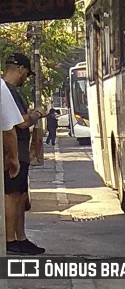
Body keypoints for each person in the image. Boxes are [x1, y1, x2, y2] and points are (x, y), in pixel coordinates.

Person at [3, 53, 46, 255]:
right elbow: (17, 124)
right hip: (14, 152)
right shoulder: (7, 91)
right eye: (26, 74)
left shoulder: (10, 91)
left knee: (20, 194)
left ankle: (20, 237)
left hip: (19, 152)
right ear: (20, 69)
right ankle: (10, 239)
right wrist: (36, 114)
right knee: (12, 195)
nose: (25, 79)